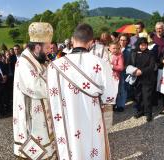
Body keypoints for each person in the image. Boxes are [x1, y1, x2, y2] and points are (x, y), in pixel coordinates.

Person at [47, 23, 118, 159]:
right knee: (93, 145)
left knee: (72, 147)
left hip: (68, 117)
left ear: (73, 40)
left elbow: (52, 96)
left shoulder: (55, 66)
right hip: (92, 114)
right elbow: (109, 96)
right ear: (91, 42)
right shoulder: (101, 64)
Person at [13, 22, 56, 159]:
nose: (50, 50)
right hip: (32, 116)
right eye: (48, 47)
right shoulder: (24, 62)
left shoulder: (39, 58)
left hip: (44, 112)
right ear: (37, 47)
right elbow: (36, 87)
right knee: (38, 151)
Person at [128, 37, 156, 122]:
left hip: (147, 78)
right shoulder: (133, 53)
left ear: (147, 45)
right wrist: (134, 71)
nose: (143, 47)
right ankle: (140, 111)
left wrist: (141, 71)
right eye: (141, 45)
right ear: (138, 45)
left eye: (145, 45)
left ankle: (148, 114)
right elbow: (129, 64)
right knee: (138, 96)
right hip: (136, 78)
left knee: (147, 96)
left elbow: (151, 66)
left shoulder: (150, 53)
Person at [108, 42, 125, 112]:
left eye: (117, 48)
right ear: (109, 48)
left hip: (115, 76)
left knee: (118, 91)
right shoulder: (107, 55)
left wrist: (112, 66)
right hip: (108, 76)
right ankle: (111, 105)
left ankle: (119, 105)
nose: (115, 50)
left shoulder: (119, 56)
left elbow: (121, 67)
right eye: (113, 48)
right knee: (109, 91)